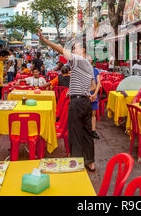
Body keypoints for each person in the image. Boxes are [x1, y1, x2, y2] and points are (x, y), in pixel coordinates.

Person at [37, 29, 97, 172]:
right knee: (87, 132)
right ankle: (90, 162)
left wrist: (45, 41)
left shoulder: (79, 60)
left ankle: (76, 162)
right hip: (85, 102)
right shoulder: (87, 65)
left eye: (74, 48)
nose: (72, 51)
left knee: (75, 132)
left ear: (82, 50)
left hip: (77, 103)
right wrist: (81, 91)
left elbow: (60, 50)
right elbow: (93, 85)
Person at [87, 56, 101, 140]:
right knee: (84, 113)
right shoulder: (83, 71)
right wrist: (88, 94)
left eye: (90, 58)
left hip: (94, 95)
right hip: (85, 95)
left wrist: (95, 94)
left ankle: (93, 131)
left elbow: (98, 83)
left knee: (93, 114)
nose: (88, 60)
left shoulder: (95, 71)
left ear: (92, 60)